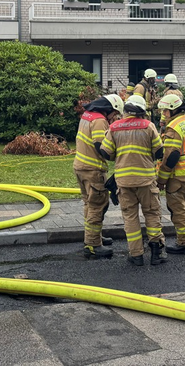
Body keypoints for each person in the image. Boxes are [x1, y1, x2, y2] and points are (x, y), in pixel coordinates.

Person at [99, 95, 166, 266]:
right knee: (152, 214)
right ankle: (156, 253)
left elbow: (105, 153)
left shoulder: (114, 127)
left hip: (124, 182)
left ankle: (136, 255)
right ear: (141, 111)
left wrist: (119, 154)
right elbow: (159, 152)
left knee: (130, 217)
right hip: (146, 180)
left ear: (126, 110)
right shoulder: (148, 126)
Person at [73, 94, 124, 259]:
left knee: (89, 203)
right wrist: (119, 157)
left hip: (80, 167)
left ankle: (93, 237)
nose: (114, 117)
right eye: (114, 114)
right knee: (98, 205)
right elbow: (100, 146)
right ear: (108, 109)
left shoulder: (87, 115)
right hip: (93, 170)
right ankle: (93, 245)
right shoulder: (100, 121)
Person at [156, 94, 185, 254]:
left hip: (178, 175)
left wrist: (161, 178)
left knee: (177, 209)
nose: (163, 113)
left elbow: (171, 156)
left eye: (165, 110)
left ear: (172, 110)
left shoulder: (173, 128)